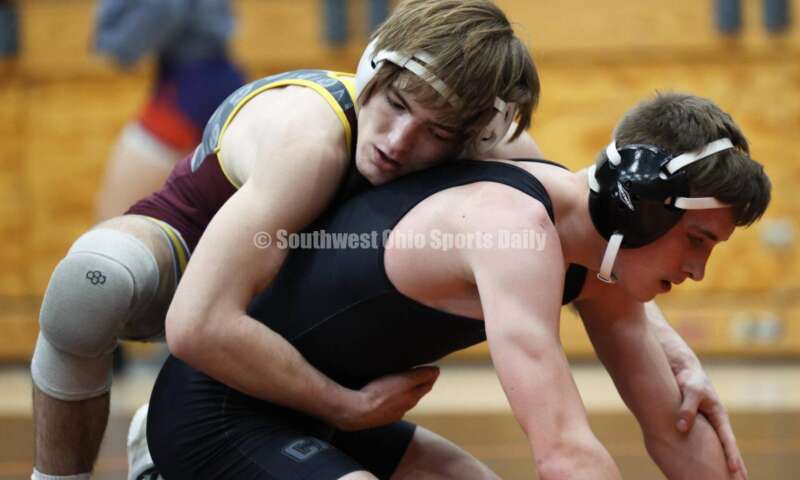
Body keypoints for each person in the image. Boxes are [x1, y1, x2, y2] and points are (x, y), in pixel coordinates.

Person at [30, 2, 542, 479]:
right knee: (87, 287)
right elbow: (194, 323)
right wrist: (344, 406)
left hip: (291, 298)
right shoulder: (311, 141)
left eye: (437, 132)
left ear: (474, 137)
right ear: (370, 71)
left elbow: (568, 211)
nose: (397, 141)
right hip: (197, 246)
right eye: (395, 104)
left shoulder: (492, 145)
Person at [146, 92, 771, 479]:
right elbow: (564, 451)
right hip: (218, 409)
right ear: (644, 208)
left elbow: (671, 427)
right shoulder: (512, 231)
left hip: (326, 416)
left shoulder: (601, 261)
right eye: (697, 239)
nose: (698, 271)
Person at [92, 0, 246, 221]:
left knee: (112, 220)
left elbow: (161, 11)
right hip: (215, 81)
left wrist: (118, 42)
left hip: (188, 90)